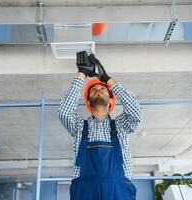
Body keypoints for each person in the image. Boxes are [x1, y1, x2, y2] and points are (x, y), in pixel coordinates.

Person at [58, 53, 143, 200]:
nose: (98, 89)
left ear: (111, 101)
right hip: (85, 191)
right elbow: (64, 112)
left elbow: (136, 112)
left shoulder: (121, 125)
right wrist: (82, 73)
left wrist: (107, 79)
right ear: (88, 102)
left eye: (103, 89)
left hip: (119, 190)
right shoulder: (79, 126)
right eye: (93, 90)